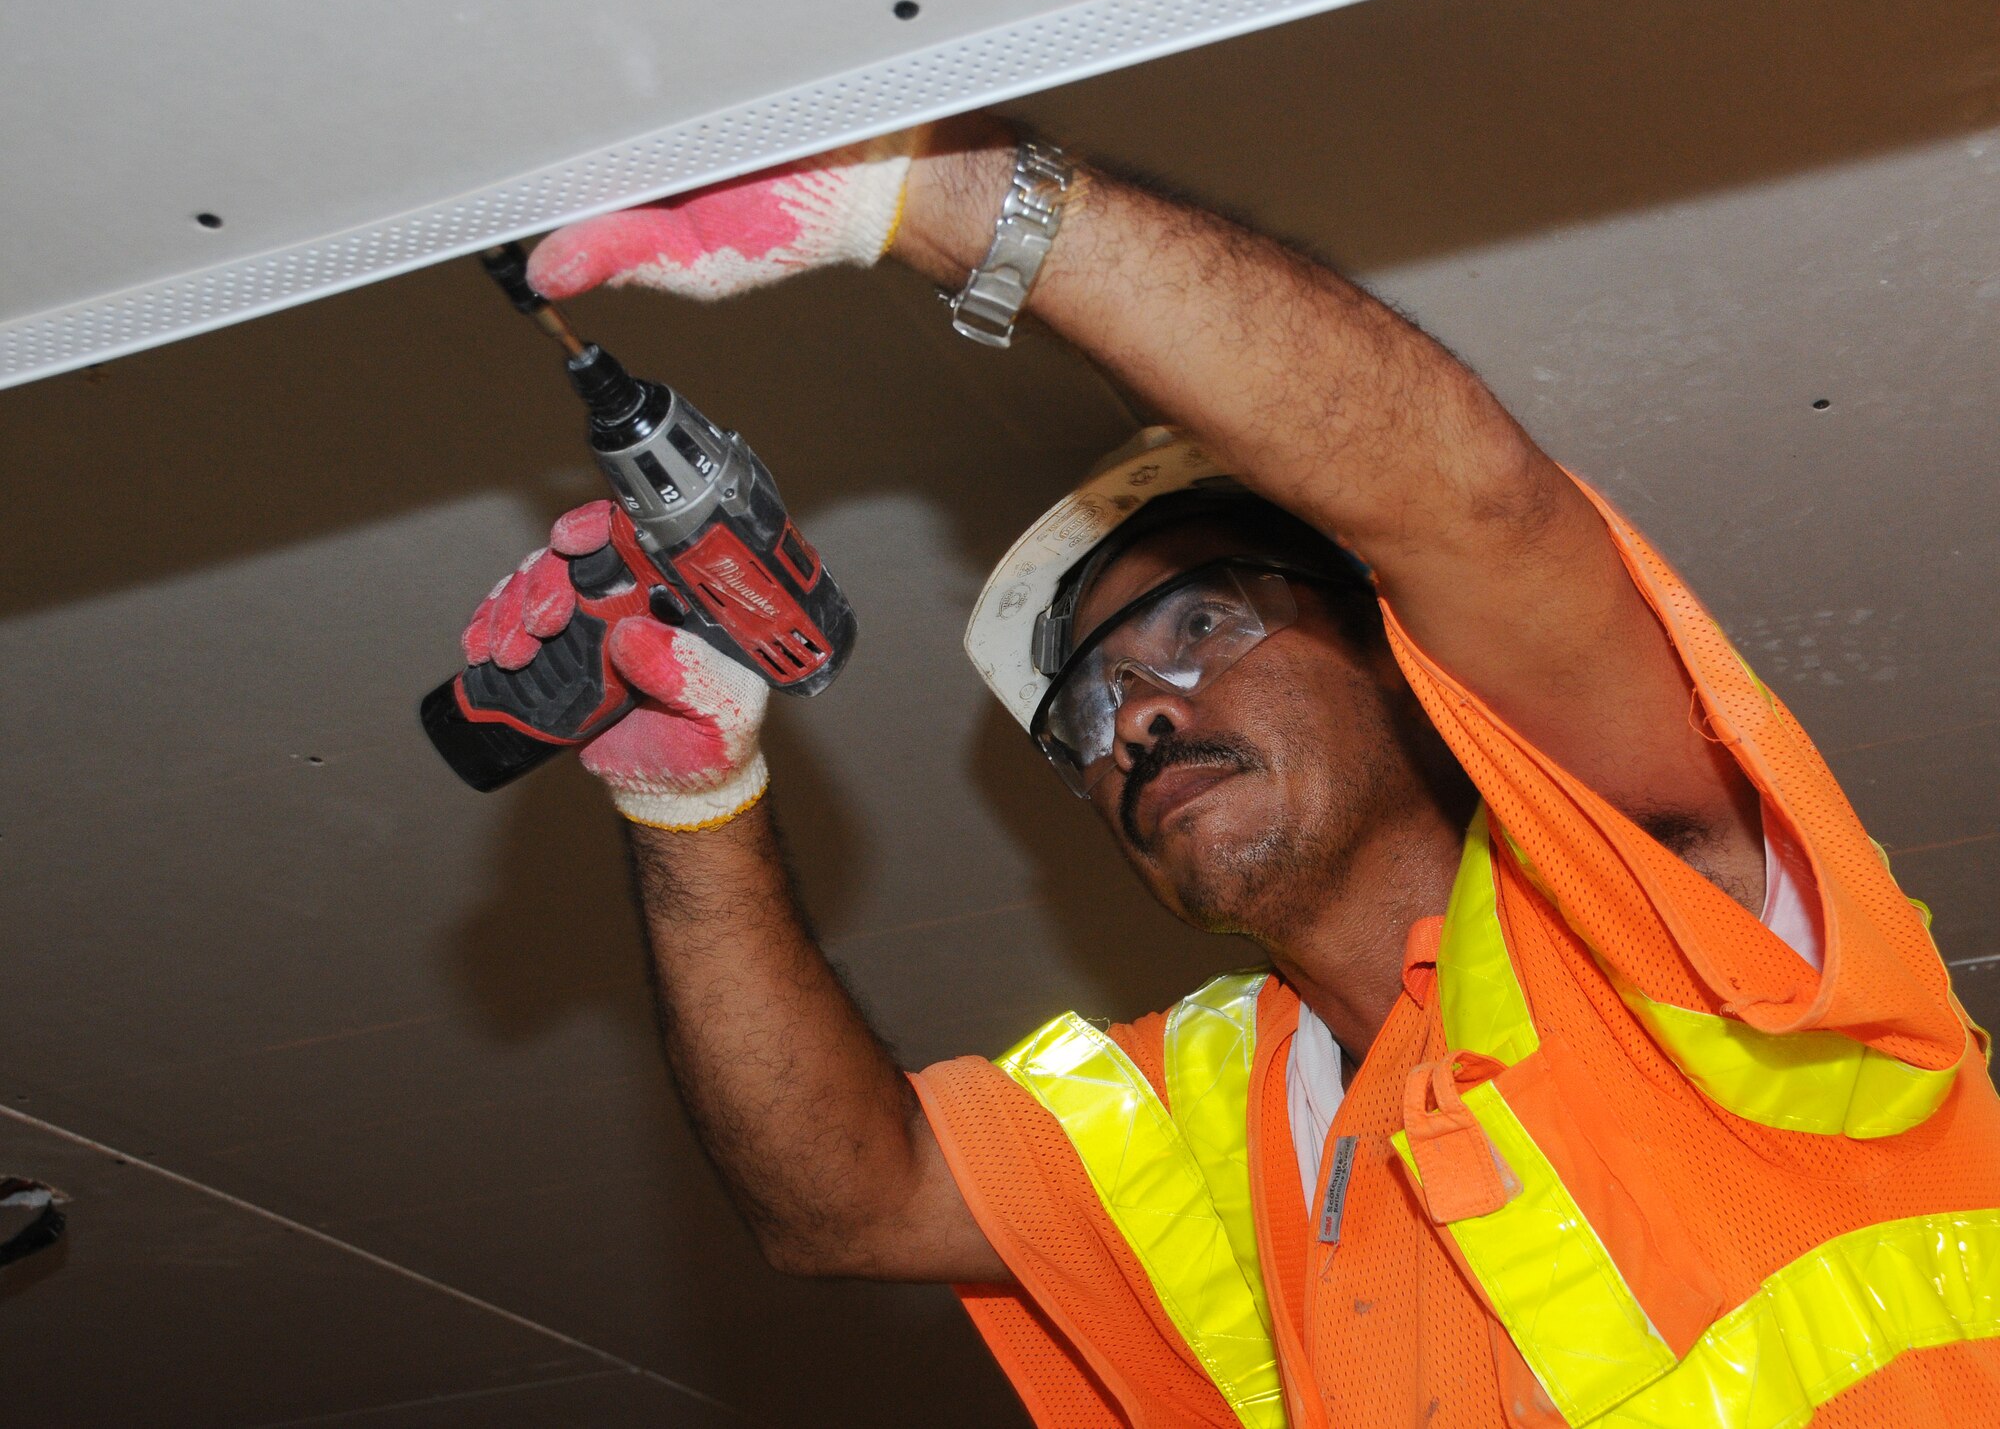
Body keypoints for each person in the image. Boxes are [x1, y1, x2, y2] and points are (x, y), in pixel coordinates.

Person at [463, 117, 2000, 1427]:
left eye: (1202, 623)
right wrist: (691, 800)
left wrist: (924, 187)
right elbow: (843, 1200)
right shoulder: (1204, 1109)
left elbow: (1474, 512)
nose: (1132, 717)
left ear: (1394, 650)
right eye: (1088, 708)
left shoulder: (1659, 913)